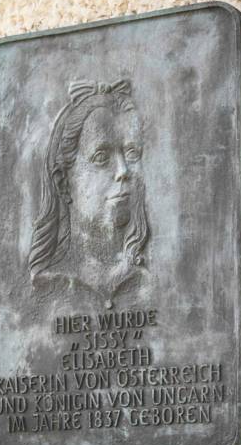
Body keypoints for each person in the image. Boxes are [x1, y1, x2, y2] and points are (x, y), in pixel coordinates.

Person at [28, 79, 151, 308]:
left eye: (131, 154)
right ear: (63, 182)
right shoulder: (45, 288)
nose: (123, 171)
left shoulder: (155, 285)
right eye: (101, 157)